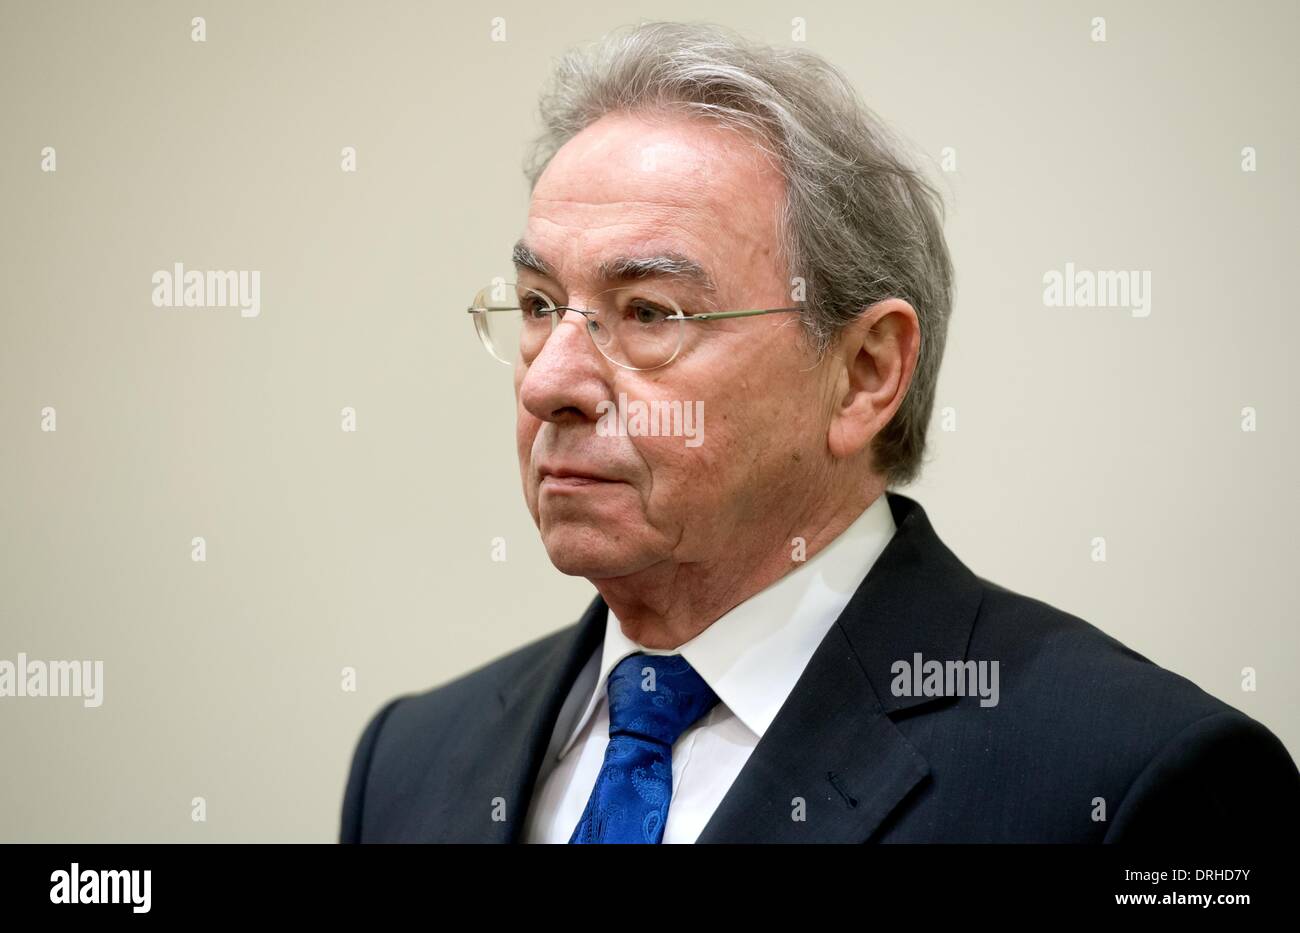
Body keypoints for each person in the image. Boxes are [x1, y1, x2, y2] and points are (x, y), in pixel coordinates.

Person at [340, 21, 1298, 843]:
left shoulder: (1131, 782)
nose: (550, 380)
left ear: (865, 372)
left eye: (650, 313)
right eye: (540, 304)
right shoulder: (410, 763)